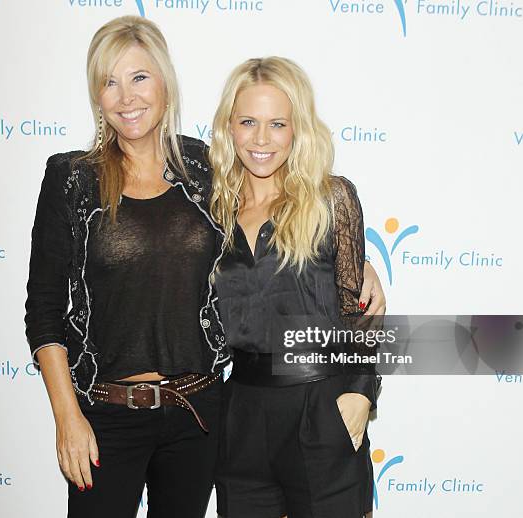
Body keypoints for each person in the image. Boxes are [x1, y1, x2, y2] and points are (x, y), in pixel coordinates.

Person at [24, 16, 385, 518]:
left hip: (201, 414)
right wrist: (67, 415)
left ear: (166, 85)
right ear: (97, 96)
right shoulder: (78, 178)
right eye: (110, 82)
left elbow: (323, 274)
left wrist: (361, 292)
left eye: (139, 77)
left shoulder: (203, 174)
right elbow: (43, 308)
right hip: (117, 412)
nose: (126, 97)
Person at [210, 56, 381, 518]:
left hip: (321, 405)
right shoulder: (210, 210)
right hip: (241, 413)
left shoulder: (331, 199)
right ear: (229, 127)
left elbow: (359, 310)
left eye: (277, 124)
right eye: (248, 122)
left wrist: (361, 393)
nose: (261, 139)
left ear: (297, 129)